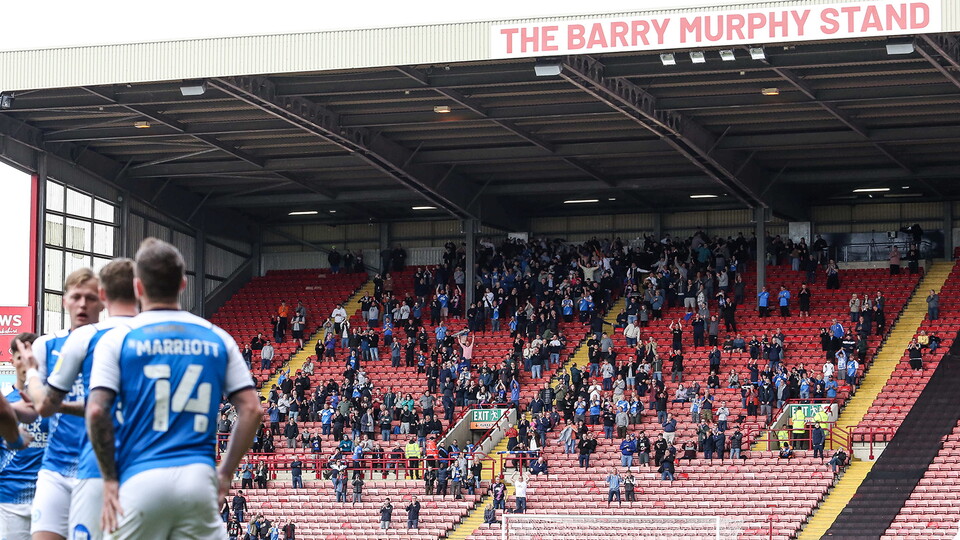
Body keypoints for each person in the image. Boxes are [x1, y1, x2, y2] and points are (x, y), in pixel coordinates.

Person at [86, 238, 261, 538]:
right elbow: (252, 409)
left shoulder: (118, 339)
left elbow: (97, 410)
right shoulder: (217, 337)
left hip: (139, 477)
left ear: (138, 287)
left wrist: (110, 479)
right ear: (182, 284)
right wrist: (226, 472)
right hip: (197, 480)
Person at [12, 268, 104, 540]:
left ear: (102, 301)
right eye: (76, 297)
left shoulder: (111, 342)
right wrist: (8, 410)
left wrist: (56, 405)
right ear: (65, 300)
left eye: (90, 297)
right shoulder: (45, 345)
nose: (83, 304)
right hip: (56, 467)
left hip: (99, 469)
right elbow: (34, 411)